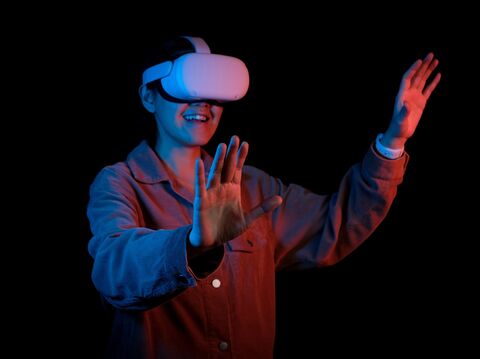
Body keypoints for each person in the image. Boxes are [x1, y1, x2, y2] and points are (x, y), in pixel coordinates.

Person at [87, 36, 441, 358]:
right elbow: (113, 269)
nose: (203, 103)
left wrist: (393, 142)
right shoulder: (119, 183)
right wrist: (192, 245)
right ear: (149, 96)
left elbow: (337, 222)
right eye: (186, 87)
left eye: (215, 90)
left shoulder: (254, 188)